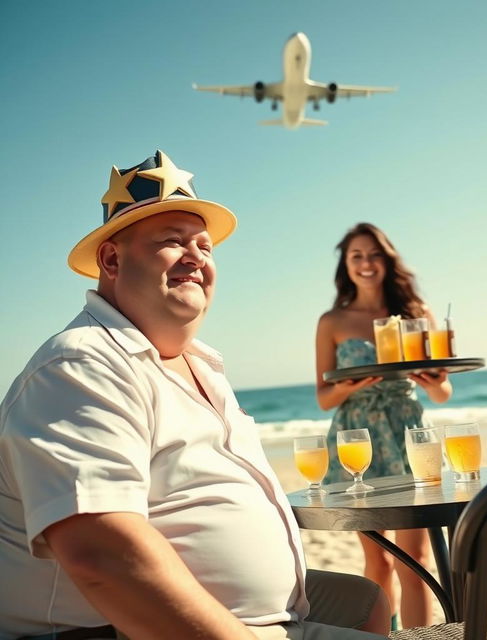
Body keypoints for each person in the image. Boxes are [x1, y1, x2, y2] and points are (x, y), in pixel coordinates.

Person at [0, 152, 391, 640]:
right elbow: (101, 556)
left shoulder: (200, 363)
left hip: (253, 612)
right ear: (112, 259)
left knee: (364, 600)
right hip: (112, 631)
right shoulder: (81, 365)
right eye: (172, 242)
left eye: (204, 246)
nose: (196, 257)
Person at [315, 222, 453, 630]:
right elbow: (324, 399)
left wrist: (435, 382)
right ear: (346, 264)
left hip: (410, 431)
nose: (366, 263)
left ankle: (422, 638)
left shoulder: (416, 314)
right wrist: (350, 385)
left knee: (417, 561)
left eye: (374, 254)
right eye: (356, 256)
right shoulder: (332, 321)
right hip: (357, 434)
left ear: (387, 260)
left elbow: (443, 392)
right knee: (378, 560)